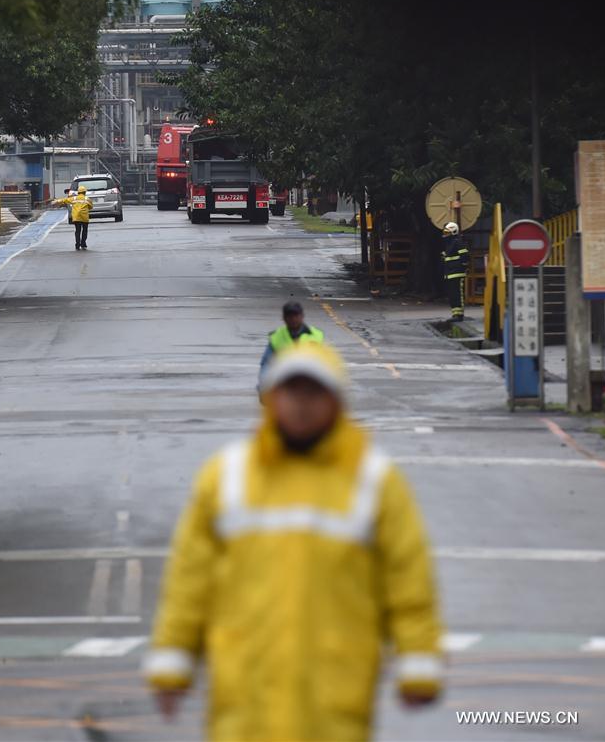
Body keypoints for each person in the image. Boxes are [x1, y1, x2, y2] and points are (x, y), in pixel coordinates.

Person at [143, 343, 444, 742]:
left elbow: (408, 580)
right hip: (244, 702)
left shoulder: (373, 481)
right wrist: (172, 664)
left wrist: (419, 664)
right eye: (292, 391)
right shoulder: (227, 477)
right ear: (272, 398)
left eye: (314, 392)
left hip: (334, 703)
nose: (302, 404)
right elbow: (189, 580)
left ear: (336, 401)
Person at [259, 300, 324, 381]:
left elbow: (324, 363)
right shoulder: (276, 337)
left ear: (302, 316)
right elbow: (266, 364)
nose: (293, 319)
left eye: (296, 315)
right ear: (284, 318)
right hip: (284, 382)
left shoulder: (316, 335)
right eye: (289, 316)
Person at [441, 221, 469, 321]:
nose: (445, 235)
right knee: (452, 294)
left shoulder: (458, 242)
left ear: (453, 232)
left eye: (447, 233)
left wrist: (461, 267)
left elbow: (465, 256)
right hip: (450, 273)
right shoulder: (449, 244)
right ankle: (455, 314)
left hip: (457, 273)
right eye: (444, 232)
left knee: (457, 294)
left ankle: (459, 315)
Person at [63, 185, 93, 250]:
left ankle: (77, 244)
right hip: (84, 217)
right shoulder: (87, 199)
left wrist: (56, 201)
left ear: (78, 192)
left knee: (77, 230)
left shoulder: (74, 198)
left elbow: (65, 200)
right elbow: (91, 207)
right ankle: (83, 243)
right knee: (84, 230)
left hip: (77, 217)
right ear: (85, 192)